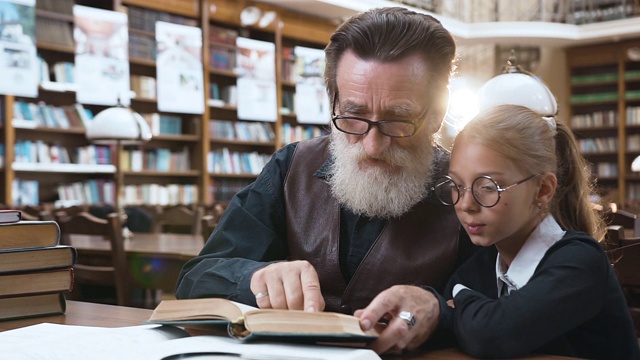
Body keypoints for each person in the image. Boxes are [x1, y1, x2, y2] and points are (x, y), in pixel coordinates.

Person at [176, 6, 475, 353]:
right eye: (353, 115)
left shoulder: (469, 188)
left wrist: (440, 311)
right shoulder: (290, 167)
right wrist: (253, 279)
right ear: (332, 101)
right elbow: (195, 278)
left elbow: (513, 308)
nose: (373, 145)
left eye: (398, 120)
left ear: (437, 113)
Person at [406, 104, 638, 358]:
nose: (465, 204)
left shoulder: (581, 261)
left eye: (488, 186)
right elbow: (444, 330)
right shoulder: (478, 268)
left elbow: (492, 335)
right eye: (457, 185)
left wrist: (459, 300)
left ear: (542, 190)